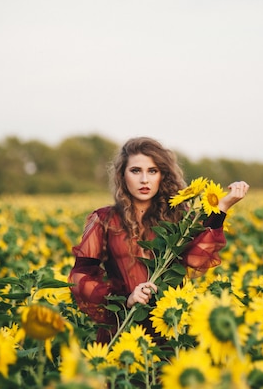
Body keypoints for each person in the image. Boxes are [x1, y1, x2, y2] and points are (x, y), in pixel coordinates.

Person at [68, 137, 249, 343]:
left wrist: (222, 208)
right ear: (122, 175)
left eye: (152, 171)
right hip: (123, 329)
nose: (144, 179)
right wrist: (124, 299)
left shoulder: (180, 216)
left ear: (163, 175)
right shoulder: (105, 220)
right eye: (136, 170)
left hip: (171, 326)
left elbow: (196, 259)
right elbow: (81, 277)